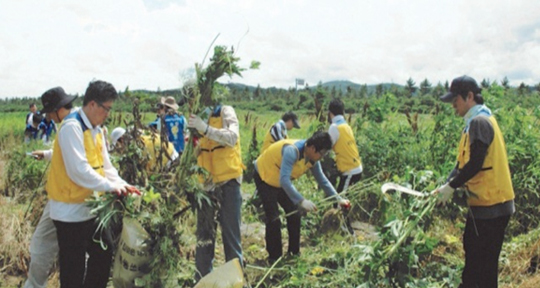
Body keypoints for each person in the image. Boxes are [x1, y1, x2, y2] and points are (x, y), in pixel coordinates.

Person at [46, 80, 139, 288]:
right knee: (73, 269)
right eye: (106, 109)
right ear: (92, 105)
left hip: (88, 208)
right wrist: (110, 187)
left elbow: (106, 167)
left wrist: (123, 185)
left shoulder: (96, 129)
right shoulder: (72, 127)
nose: (108, 114)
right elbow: (78, 171)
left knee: (104, 253)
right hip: (69, 213)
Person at [433, 75, 515, 288]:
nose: (453, 105)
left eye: (456, 100)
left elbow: (476, 163)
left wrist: (451, 186)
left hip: (493, 207)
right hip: (484, 206)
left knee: (483, 266)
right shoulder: (473, 123)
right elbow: (463, 165)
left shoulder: (479, 122)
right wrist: (446, 184)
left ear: (469, 97)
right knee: (474, 255)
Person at [253, 131, 350, 263]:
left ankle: (293, 253)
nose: (321, 157)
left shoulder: (313, 159)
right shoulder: (291, 151)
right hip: (264, 177)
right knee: (274, 218)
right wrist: (301, 200)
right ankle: (274, 258)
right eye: (321, 154)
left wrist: (338, 199)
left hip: (280, 180)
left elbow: (323, 180)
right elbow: (285, 181)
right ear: (312, 148)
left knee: (294, 214)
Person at [24, 87, 78, 288]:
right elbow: (64, 153)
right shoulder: (74, 123)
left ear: (57, 109)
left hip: (65, 199)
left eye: (48, 112)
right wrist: (47, 154)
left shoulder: (71, 127)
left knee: (42, 246)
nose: (47, 116)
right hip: (67, 198)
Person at [187, 104, 244, 281]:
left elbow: (232, 137)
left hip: (228, 183)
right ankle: (202, 281)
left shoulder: (225, 112)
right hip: (206, 187)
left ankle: (236, 281)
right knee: (204, 239)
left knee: (231, 236)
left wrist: (205, 128)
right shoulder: (196, 116)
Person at [327, 98, 363, 194]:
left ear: (330, 113)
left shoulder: (334, 127)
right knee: (345, 199)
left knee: (341, 203)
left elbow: (327, 148)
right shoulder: (346, 126)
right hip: (356, 167)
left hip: (350, 171)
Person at [110, 126, 179, 171]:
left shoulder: (135, 146)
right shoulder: (137, 135)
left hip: (169, 160)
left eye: (117, 146)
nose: (119, 149)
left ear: (121, 139)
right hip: (172, 154)